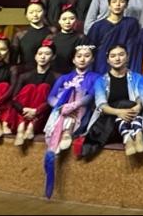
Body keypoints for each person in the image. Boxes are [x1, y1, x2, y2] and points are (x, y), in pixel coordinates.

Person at [42, 45, 101, 199]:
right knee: (68, 92)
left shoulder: (96, 77)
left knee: (76, 92)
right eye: (79, 56)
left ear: (92, 59)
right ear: (74, 60)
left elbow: (91, 96)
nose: (82, 59)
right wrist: (61, 106)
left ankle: (66, 134)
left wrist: (74, 105)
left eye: (87, 56)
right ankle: (63, 134)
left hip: (82, 112)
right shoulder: (64, 78)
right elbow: (50, 97)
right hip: (61, 111)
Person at [80, 45, 143, 159]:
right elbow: (102, 106)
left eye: (121, 55)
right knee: (123, 104)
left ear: (127, 57)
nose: (117, 58)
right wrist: (119, 112)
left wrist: (138, 106)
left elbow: (140, 97)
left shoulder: (138, 77)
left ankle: (129, 137)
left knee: (129, 105)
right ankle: (134, 136)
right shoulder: (101, 81)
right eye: (113, 56)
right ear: (108, 60)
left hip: (133, 118)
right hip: (110, 124)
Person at [7, 39, 59, 146]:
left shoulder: (57, 77)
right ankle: (21, 129)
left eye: (47, 54)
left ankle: (31, 126)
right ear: (35, 56)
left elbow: (54, 100)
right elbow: (14, 98)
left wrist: (36, 111)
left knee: (43, 88)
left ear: (53, 57)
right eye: (40, 54)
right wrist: (23, 109)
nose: (43, 57)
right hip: (22, 112)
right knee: (29, 88)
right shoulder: (24, 76)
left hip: (42, 113)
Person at [85, 0, 141, 73]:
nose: (117, 4)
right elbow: (90, 50)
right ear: (109, 5)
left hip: (123, 65)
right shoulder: (97, 26)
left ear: (126, 5)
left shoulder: (131, 23)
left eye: (121, 2)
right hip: (101, 65)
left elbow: (132, 48)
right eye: (114, 2)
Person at [11, 0, 54, 68]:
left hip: (49, 70)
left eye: (38, 11)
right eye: (31, 12)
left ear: (45, 12)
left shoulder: (52, 32)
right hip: (25, 71)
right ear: (26, 15)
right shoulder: (20, 34)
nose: (35, 15)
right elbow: (13, 59)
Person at [50, 4, 86, 74]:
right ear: (59, 21)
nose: (68, 22)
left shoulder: (81, 38)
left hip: (73, 74)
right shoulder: (52, 38)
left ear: (76, 20)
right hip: (53, 74)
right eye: (64, 19)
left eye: (72, 19)